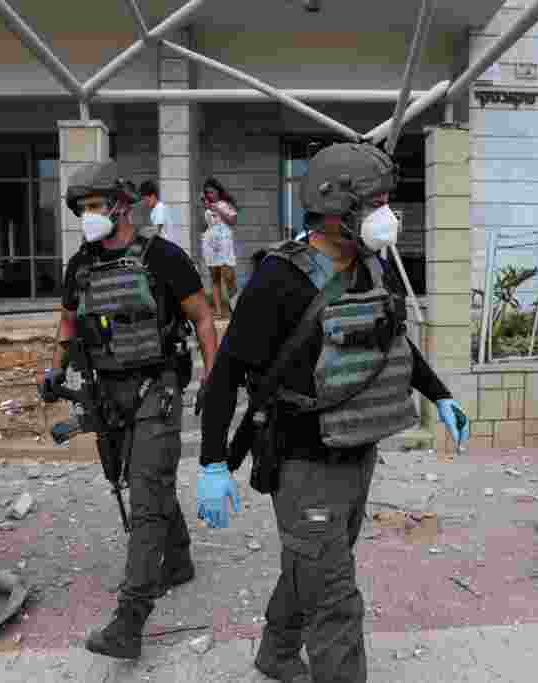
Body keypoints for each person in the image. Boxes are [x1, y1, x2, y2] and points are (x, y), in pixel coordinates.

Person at [197, 142, 470, 683]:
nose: (387, 213)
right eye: (376, 202)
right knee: (336, 599)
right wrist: (211, 464)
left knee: (313, 565)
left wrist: (439, 394)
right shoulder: (279, 279)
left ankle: (276, 654)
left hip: (356, 452)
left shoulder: (370, 267)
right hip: (302, 462)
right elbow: (227, 371)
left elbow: (393, 343)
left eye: (387, 201)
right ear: (335, 207)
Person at [36, 160, 218, 660]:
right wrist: (54, 370)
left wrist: (213, 379)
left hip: (155, 388)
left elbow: (203, 318)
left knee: (144, 496)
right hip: (107, 392)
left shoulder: (164, 256)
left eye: (95, 206)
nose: (87, 216)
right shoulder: (82, 264)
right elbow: (69, 322)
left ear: (120, 205)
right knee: (142, 480)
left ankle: (129, 620)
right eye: (82, 208)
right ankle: (176, 561)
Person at [200, 177, 240, 318]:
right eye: (207, 193)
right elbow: (204, 227)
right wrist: (206, 208)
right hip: (211, 246)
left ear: (218, 191)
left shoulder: (224, 204)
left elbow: (232, 221)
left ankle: (236, 309)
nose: (210, 195)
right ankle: (218, 311)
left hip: (224, 245)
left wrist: (217, 209)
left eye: (211, 192)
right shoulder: (207, 209)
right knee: (215, 278)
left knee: (229, 277)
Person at [139, 180, 175, 245]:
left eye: (145, 199)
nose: (145, 202)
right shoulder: (156, 209)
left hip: (166, 246)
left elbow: (156, 230)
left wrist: (140, 231)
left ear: (152, 196)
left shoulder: (160, 208)